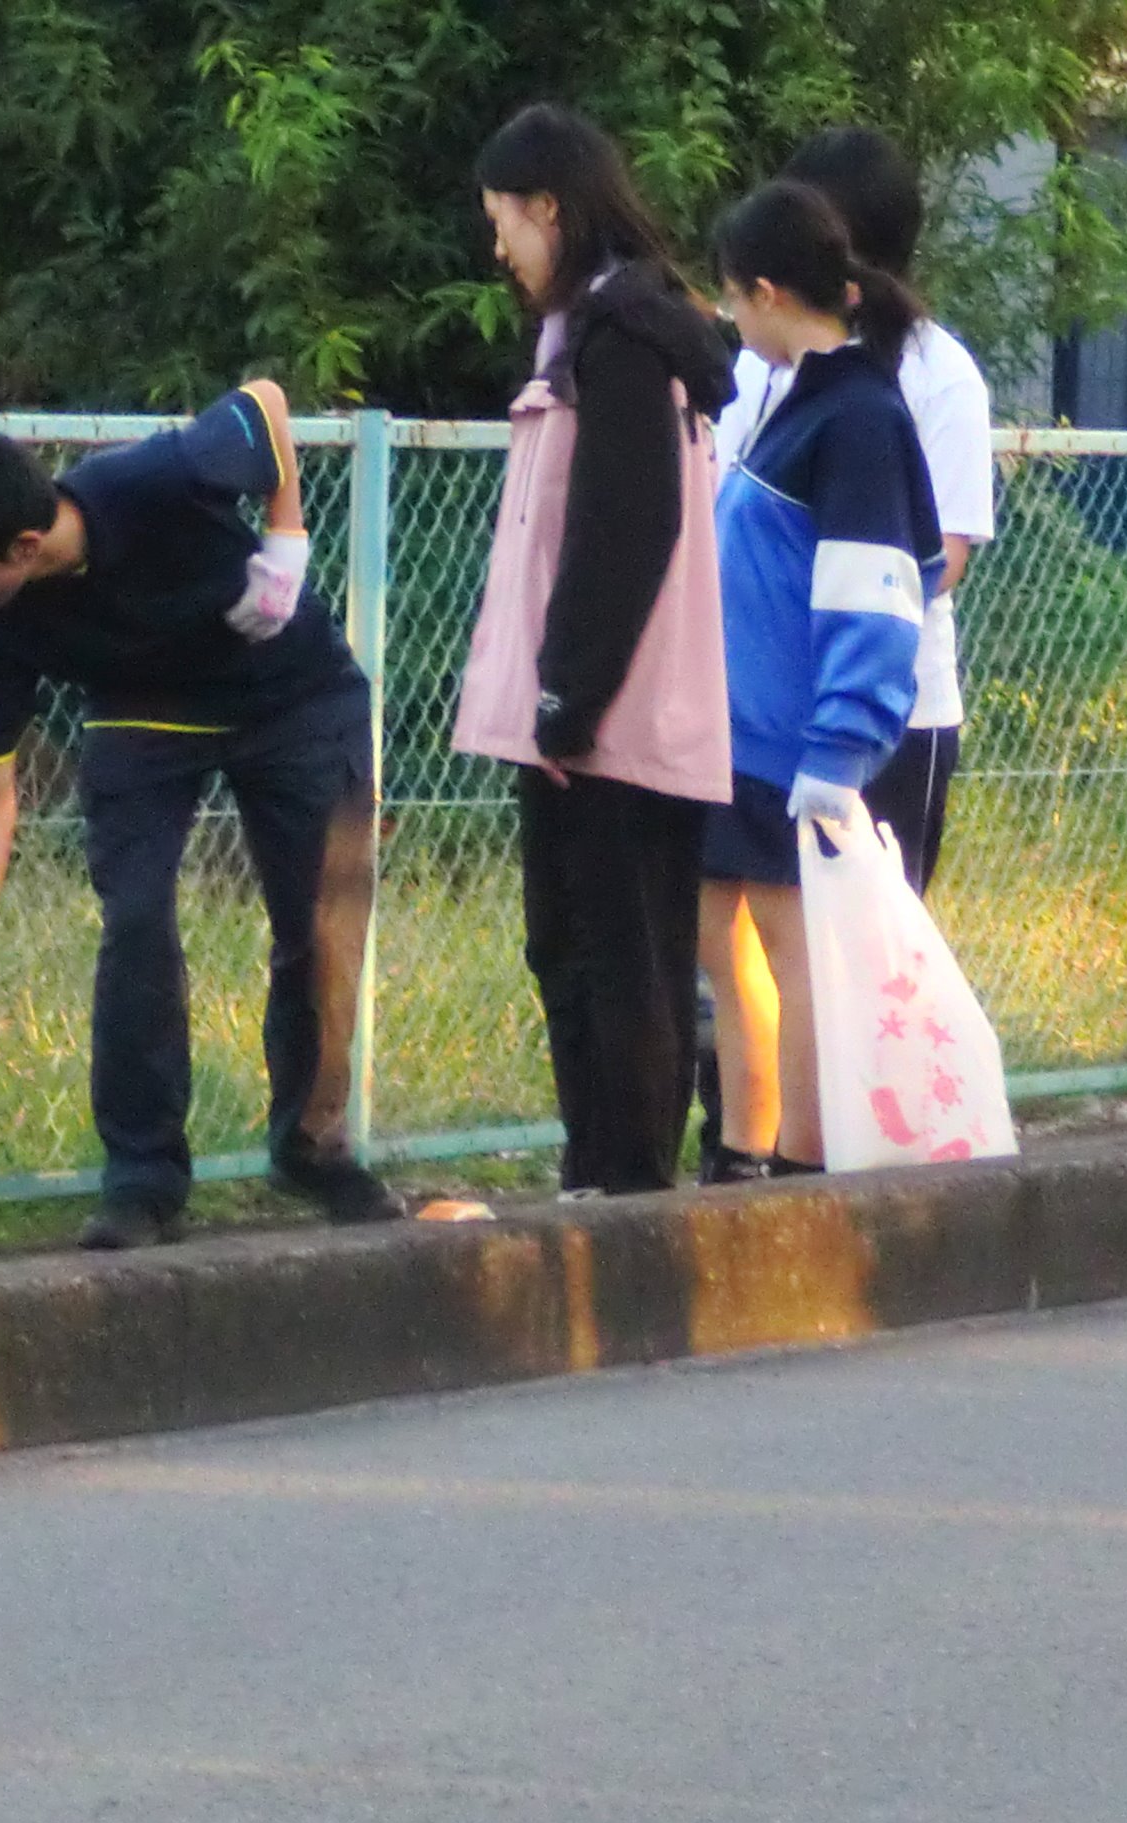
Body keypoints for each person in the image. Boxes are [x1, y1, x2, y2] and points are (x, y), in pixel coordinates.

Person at [0, 381, 403, 1250]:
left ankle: (313, 1149)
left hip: (293, 696)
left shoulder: (161, 478)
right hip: (144, 715)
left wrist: (287, 540)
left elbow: (268, 401)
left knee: (319, 925)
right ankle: (142, 1178)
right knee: (134, 919)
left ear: (22, 545)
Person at [454, 103, 737, 1196]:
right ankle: (616, 1174)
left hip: (603, 716)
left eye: (505, 222)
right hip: (619, 708)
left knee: (606, 957)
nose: (499, 248)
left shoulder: (617, 338)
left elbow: (622, 527)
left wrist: (568, 696)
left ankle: (620, 1186)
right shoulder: (615, 327)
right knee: (618, 951)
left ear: (551, 210)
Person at [701, 180, 943, 1181]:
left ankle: (796, 1154)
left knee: (788, 947)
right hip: (751, 730)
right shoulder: (816, 402)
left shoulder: (854, 417)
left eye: (728, 296)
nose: (723, 316)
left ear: (765, 289)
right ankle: (744, 1143)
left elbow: (879, 591)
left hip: (793, 735)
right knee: (730, 933)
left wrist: (840, 744)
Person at [715, 127, 994, 895]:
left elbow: (943, 558)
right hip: (766, 718)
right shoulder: (759, 359)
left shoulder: (938, 374)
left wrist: (830, 625)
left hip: (894, 720)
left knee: (863, 964)